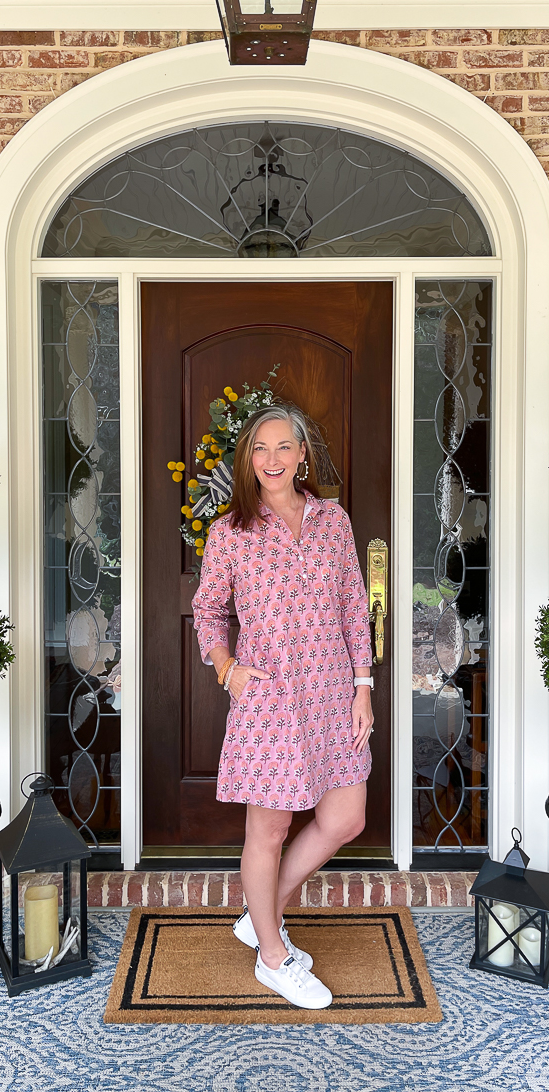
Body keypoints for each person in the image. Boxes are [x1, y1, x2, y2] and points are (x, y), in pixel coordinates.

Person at [192, 402, 374, 1009]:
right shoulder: (231, 532)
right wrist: (227, 670)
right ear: (248, 459)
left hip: (332, 694)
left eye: (282, 447)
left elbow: (354, 607)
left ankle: (258, 914)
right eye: (259, 449)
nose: (270, 459)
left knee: (345, 817)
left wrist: (363, 686)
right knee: (267, 831)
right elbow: (209, 611)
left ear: (302, 455)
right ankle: (274, 957)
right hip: (269, 698)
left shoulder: (334, 522)